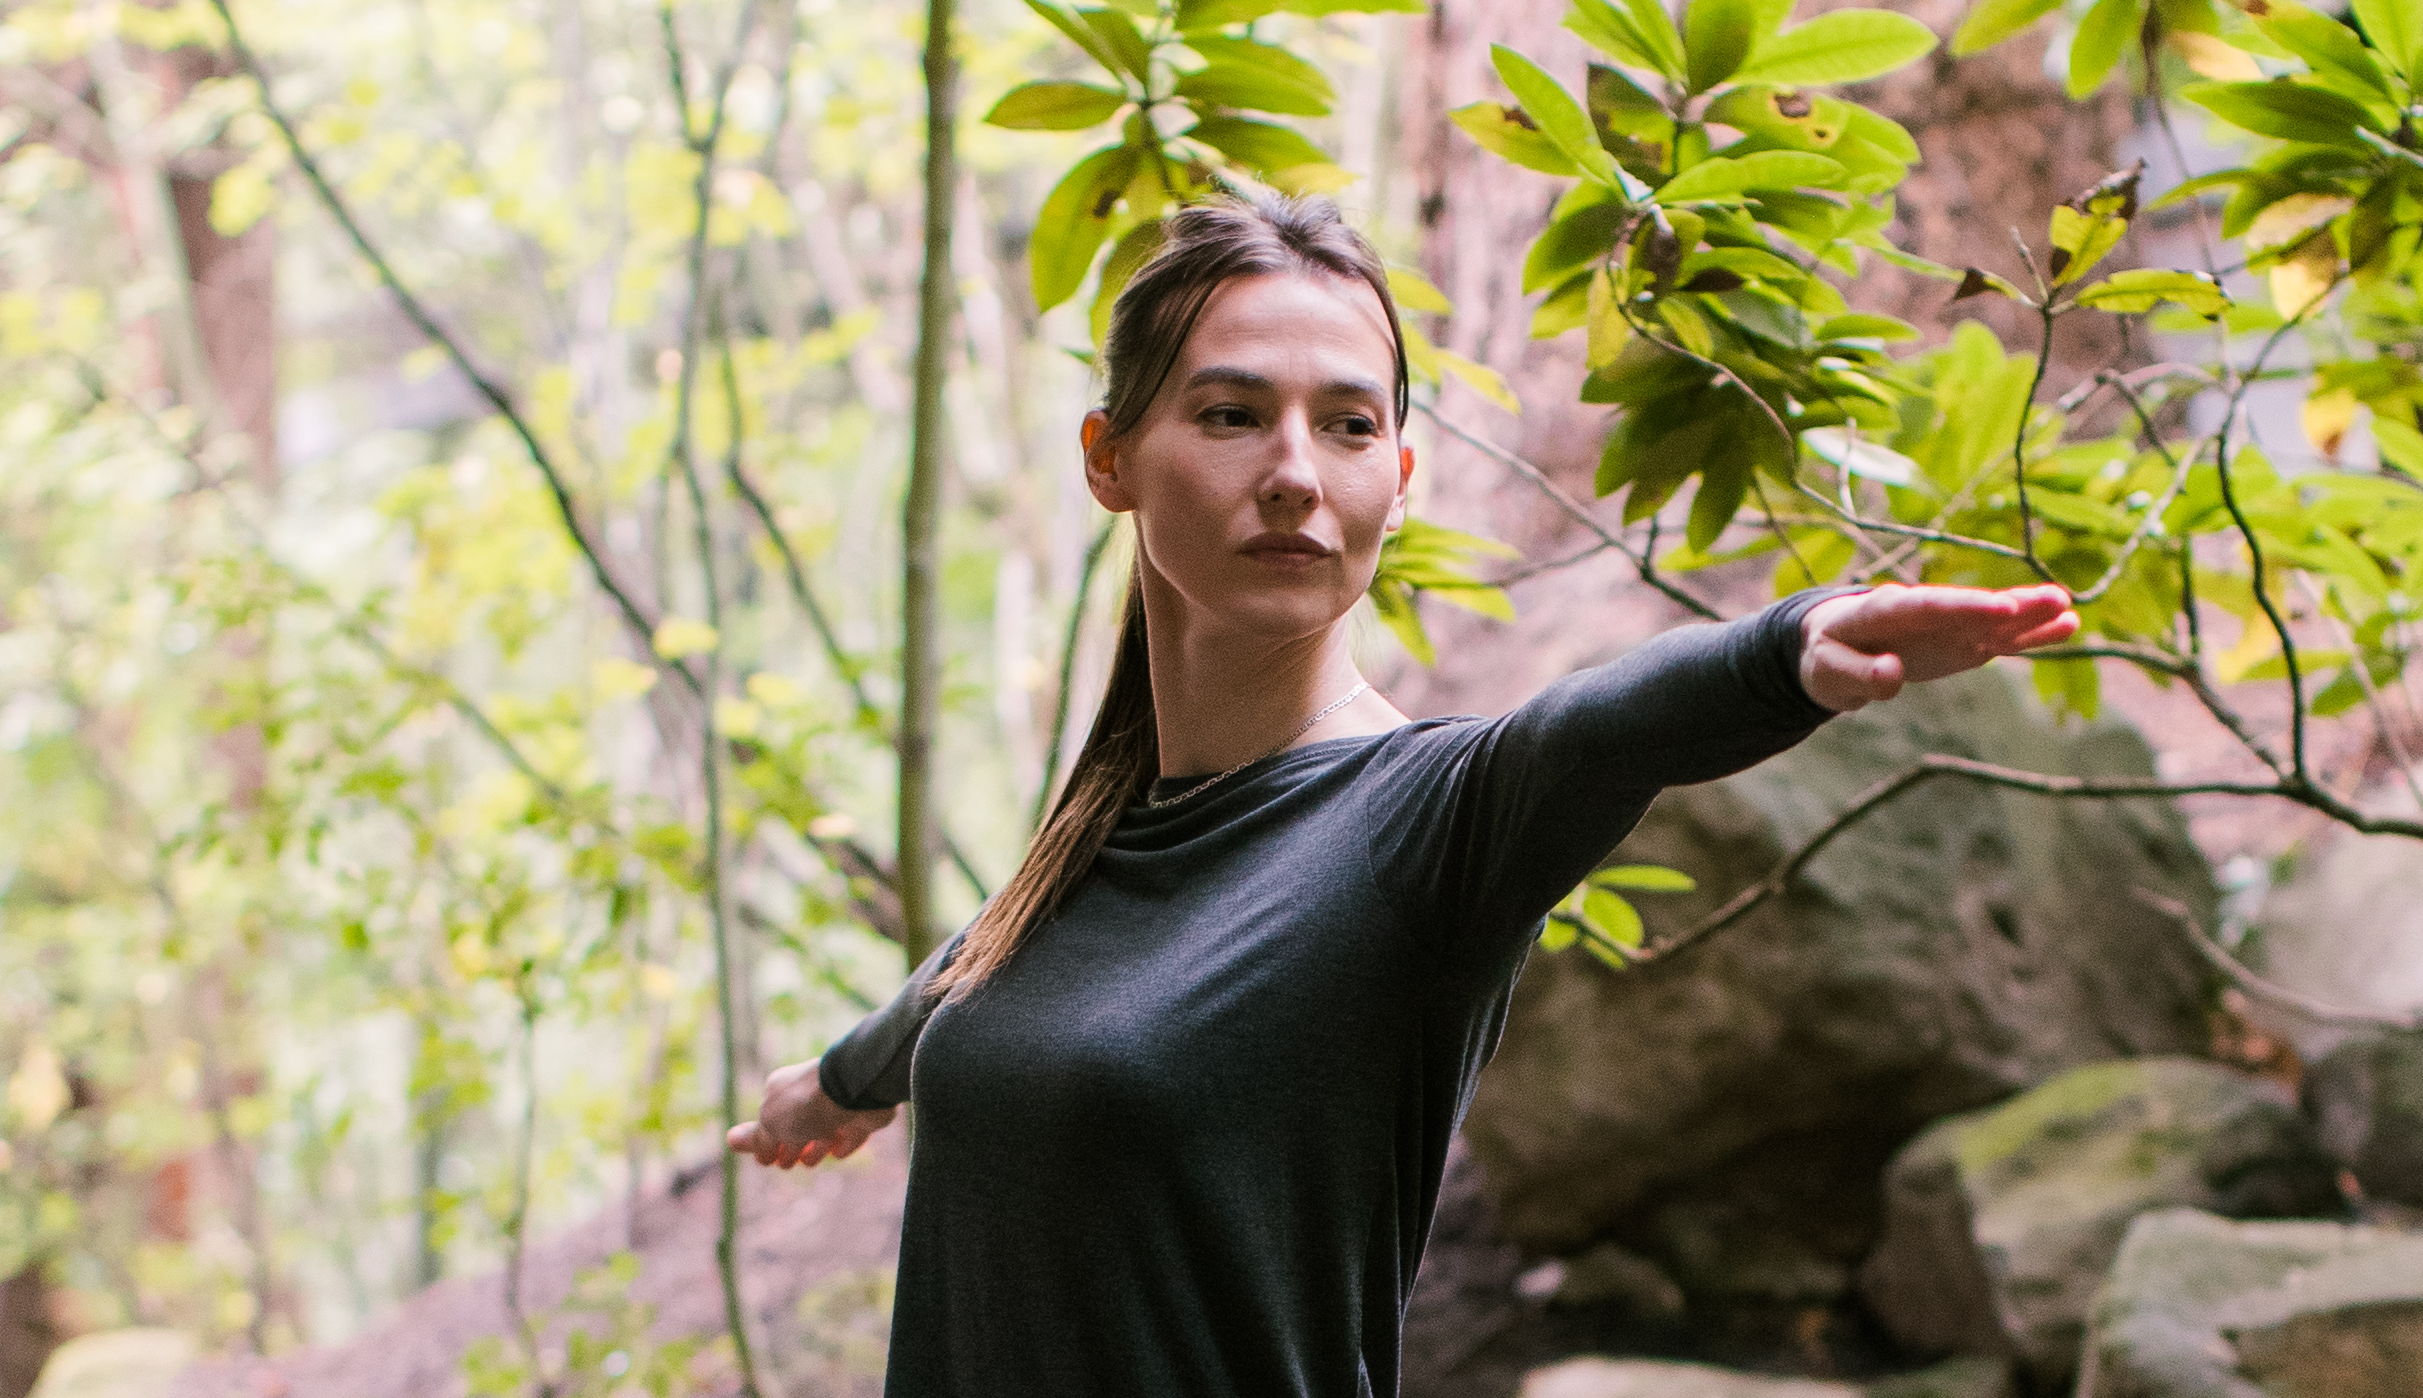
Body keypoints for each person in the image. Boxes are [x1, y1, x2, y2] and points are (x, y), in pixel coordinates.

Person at [724, 189, 2078, 1397]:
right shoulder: (1094, 845)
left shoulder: (1422, 825)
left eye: (1349, 425)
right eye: (1231, 413)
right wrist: (838, 1083)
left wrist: (1788, 650)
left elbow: (1592, 731)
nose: (1297, 474)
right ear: (1109, 458)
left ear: (1400, 481)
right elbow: (985, 970)